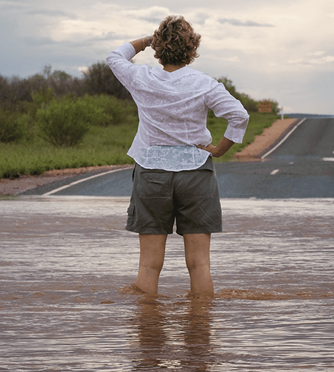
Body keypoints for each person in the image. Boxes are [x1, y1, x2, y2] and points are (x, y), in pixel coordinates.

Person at [107, 15, 249, 297]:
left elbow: (115, 57)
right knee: (199, 265)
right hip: (196, 173)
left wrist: (148, 40)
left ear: (160, 49)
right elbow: (239, 116)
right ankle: (200, 334)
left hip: (151, 172)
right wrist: (219, 150)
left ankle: (148, 335)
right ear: (192, 49)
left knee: (148, 265)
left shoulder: (141, 78)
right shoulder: (205, 84)